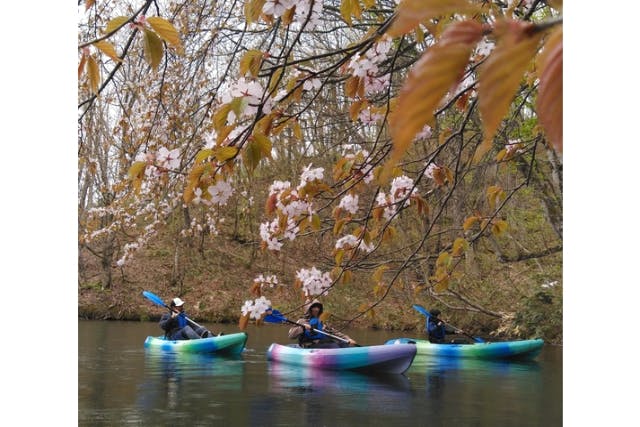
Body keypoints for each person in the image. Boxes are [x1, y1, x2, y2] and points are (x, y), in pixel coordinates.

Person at [288, 300, 357, 348]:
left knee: (344, 344)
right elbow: (291, 335)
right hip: (308, 346)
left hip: (322, 344)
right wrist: (302, 328)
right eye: (314, 307)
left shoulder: (321, 322)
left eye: (318, 307)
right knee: (333, 347)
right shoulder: (302, 321)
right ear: (308, 309)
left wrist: (348, 339)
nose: (316, 309)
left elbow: (335, 333)